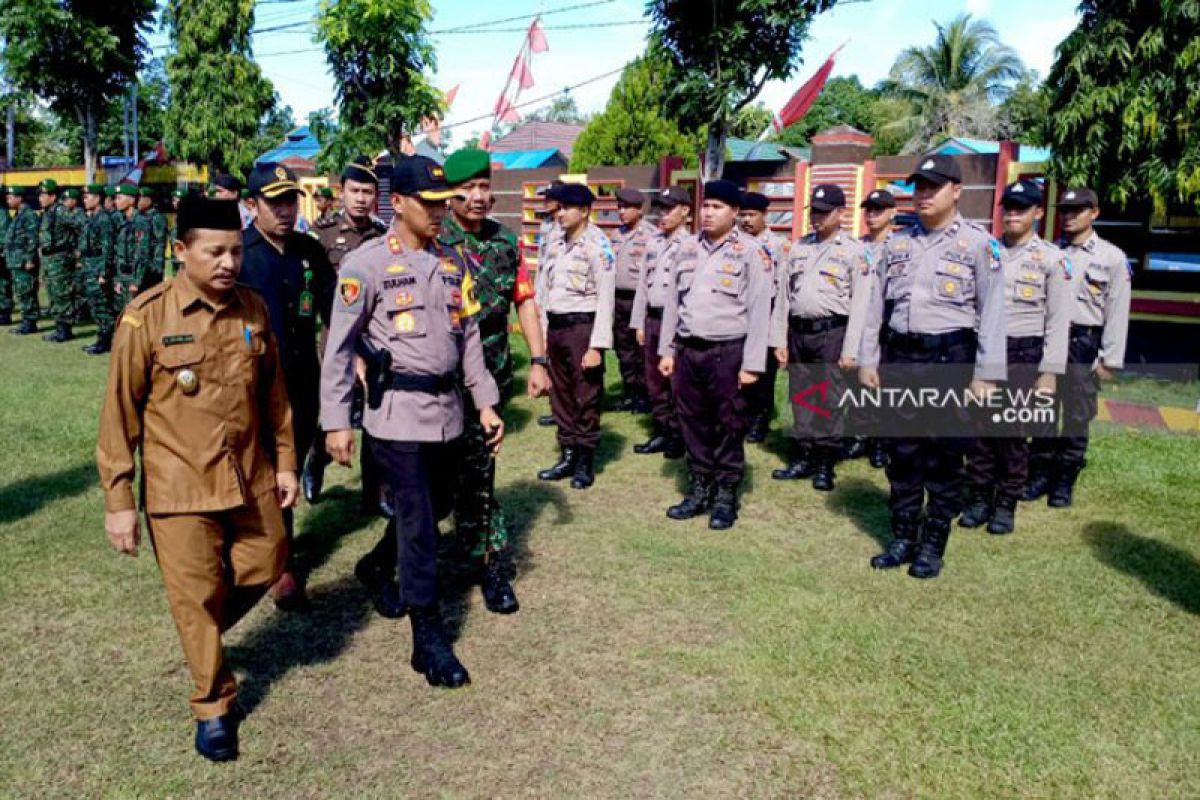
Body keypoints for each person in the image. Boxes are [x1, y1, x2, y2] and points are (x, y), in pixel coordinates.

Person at [96, 196, 298, 762]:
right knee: (194, 597)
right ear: (181, 251)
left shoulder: (253, 309)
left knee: (269, 559)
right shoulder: (146, 317)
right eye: (214, 252)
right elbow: (119, 415)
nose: (229, 262)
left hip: (249, 475)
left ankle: (203, 625)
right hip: (178, 486)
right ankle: (214, 705)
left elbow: (275, 395)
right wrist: (119, 500)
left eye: (235, 250)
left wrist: (284, 461)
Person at [320, 155, 504, 688]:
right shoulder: (366, 264)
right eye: (430, 204)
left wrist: (486, 402)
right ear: (396, 202)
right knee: (421, 525)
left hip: (447, 413)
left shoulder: (452, 262)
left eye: (444, 204)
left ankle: (378, 565)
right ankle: (428, 638)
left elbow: (468, 336)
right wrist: (336, 421)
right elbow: (340, 348)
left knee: (438, 505)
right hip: (396, 416)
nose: (441, 213)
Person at [858, 154, 1006, 579]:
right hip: (901, 357)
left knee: (943, 455)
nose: (922, 195)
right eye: (918, 187)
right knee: (902, 452)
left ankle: (932, 546)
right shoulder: (898, 243)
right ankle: (903, 537)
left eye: (932, 187)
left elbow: (993, 312)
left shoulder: (980, 245)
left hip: (950, 358)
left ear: (956, 191)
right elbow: (875, 307)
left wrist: (986, 375)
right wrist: (870, 359)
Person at [439, 147, 549, 614]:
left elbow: (523, 300)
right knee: (432, 479)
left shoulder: (505, 243)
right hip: (439, 381)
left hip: (490, 380)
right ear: (450, 193)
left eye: (485, 186)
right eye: (470, 188)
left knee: (480, 473)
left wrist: (539, 359)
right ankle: (392, 559)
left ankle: (490, 565)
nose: (480, 196)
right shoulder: (434, 240)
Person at [239, 162, 336, 611]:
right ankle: (251, 557)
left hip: (300, 382)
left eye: (290, 200)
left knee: (286, 470)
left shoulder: (309, 251)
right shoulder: (239, 254)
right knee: (246, 470)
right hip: (249, 384)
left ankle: (282, 561)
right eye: (274, 201)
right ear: (251, 204)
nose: (284, 210)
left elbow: (334, 312)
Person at [658, 180, 772, 530]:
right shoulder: (687, 248)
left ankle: (725, 494)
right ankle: (699, 487)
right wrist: (667, 349)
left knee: (728, 424)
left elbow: (759, 311)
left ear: (735, 213)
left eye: (718, 207)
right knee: (692, 421)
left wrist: (753, 364)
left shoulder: (751, 252)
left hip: (729, 352)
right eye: (706, 206)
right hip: (689, 350)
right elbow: (673, 305)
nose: (708, 212)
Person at [958, 179, 1070, 535]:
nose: (1013, 214)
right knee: (978, 431)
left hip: (1024, 352)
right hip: (983, 350)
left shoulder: (1053, 259)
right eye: (1008, 207)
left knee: (1013, 433)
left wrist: (1050, 371)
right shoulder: (985, 250)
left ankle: (1006, 503)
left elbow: (1058, 320)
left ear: (1038, 212)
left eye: (1022, 208)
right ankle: (978, 498)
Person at [1025, 186, 1131, 508]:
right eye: (1066, 211)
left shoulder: (1111, 258)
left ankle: (1064, 480)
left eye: (1078, 210)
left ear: (1094, 213)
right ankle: (1039, 475)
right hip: (1048, 342)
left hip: (1084, 344)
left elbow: (1117, 311)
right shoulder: (1048, 253)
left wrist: (1110, 360)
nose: (1070, 216)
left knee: (1076, 415)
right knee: (1041, 412)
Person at [768, 184, 871, 492]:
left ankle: (825, 463)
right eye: (814, 212)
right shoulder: (798, 248)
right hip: (799, 332)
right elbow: (784, 299)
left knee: (829, 398)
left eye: (825, 213)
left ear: (841, 214)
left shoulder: (854, 252)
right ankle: (803, 456)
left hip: (832, 333)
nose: (817, 219)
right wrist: (779, 340)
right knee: (801, 396)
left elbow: (861, 305)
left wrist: (851, 350)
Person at [304, 156, 387, 509]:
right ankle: (315, 462)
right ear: (341, 192)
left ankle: (376, 492)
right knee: (331, 413)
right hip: (335, 342)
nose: (361, 199)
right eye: (355, 190)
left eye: (368, 192)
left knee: (375, 416)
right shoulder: (319, 235)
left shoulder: (384, 235)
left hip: (375, 342)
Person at [535, 183, 616, 490]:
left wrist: (596, 346)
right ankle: (567, 453)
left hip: (583, 327)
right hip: (557, 327)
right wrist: (542, 335)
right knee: (561, 394)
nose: (561, 214)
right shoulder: (557, 243)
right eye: (559, 208)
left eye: (567, 208)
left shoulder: (597, 246)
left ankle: (584, 460)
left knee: (585, 395)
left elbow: (606, 300)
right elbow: (545, 290)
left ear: (584, 211)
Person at [631, 186, 692, 458]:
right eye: (660, 209)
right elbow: (643, 284)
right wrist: (639, 323)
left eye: (669, 209)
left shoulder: (692, 245)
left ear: (685, 211)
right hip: (653, 320)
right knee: (653, 381)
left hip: (676, 324)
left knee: (675, 382)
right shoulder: (654, 242)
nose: (663, 215)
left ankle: (678, 435)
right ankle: (661, 430)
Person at [737, 190, 790, 443]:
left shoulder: (778, 245)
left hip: (767, 310)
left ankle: (760, 418)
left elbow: (782, 286)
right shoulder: (734, 241)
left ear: (765, 215)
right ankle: (741, 414)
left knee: (764, 370)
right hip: (739, 312)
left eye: (752, 215)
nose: (747, 220)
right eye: (743, 215)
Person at [857, 189, 898, 469]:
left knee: (884, 385)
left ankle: (881, 442)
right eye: (868, 210)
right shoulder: (857, 246)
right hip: (859, 321)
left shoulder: (900, 245)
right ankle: (860, 434)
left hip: (888, 321)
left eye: (878, 210)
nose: (872, 215)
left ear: (892, 212)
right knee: (857, 383)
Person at [608, 187, 655, 413]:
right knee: (623, 348)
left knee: (641, 351)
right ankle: (630, 393)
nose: (621, 211)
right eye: (619, 207)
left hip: (639, 300)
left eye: (626, 207)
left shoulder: (651, 235)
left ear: (639, 209)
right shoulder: (617, 235)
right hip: (619, 299)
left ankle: (645, 396)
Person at [536, 180, 565, 428]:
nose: (545, 201)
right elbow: (542, 262)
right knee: (549, 349)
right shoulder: (547, 223)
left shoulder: (568, 224)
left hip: (562, 297)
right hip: (544, 293)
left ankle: (564, 408)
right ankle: (556, 405)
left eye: (549, 197)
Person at [37, 179, 79, 343]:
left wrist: (74, 248)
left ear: (53, 196)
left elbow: (80, 226)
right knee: (54, 294)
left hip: (59, 259)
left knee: (62, 294)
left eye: (44, 194)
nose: (41, 198)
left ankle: (65, 330)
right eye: (40, 194)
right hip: (49, 259)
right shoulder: (48, 212)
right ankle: (59, 328)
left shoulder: (60, 211)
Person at [79, 184, 118, 355]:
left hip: (98, 268)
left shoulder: (103, 219)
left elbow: (107, 248)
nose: (84, 200)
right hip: (89, 267)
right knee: (95, 304)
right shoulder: (92, 218)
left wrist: (104, 272)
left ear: (98, 198)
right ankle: (102, 338)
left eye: (88, 196)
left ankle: (105, 340)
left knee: (102, 305)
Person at [111, 184, 156, 315]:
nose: (116, 202)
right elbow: (120, 253)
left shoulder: (141, 222)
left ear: (131, 201)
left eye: (119, 198)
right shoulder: (124, 222)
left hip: (135, 277)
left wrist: (136, 281)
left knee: (136, 314)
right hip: (124, 276)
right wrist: (119, 279)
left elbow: (142, 254)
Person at [6, 186, 40, 334]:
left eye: (11, 196)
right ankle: (26, 321)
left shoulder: (28, 215)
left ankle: (30, 323)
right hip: (16, 261)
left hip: (24, 261)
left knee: (27, 291)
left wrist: (29, 259)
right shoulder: (18, 214)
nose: (8, 199)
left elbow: (32, 239)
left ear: (20, 198)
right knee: (21, 292)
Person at [138, 187, 167, 287]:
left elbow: (160, 243)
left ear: (149, 200)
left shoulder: (157, 218)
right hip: (143, 266)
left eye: (141, 198)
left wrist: (157, 267)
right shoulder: (141, 217)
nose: (138, 201)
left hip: (152, 268)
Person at [168, 187, 188, 276]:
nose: (175, 203)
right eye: (174, 200)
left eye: (178, 200)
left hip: (185, 260)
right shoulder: (176, 217)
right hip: (175, 259)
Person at [0, 186, 11, 327]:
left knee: (2, 284)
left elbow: (3, 235)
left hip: (1, 252)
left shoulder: (2, 213)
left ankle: (4, 312)